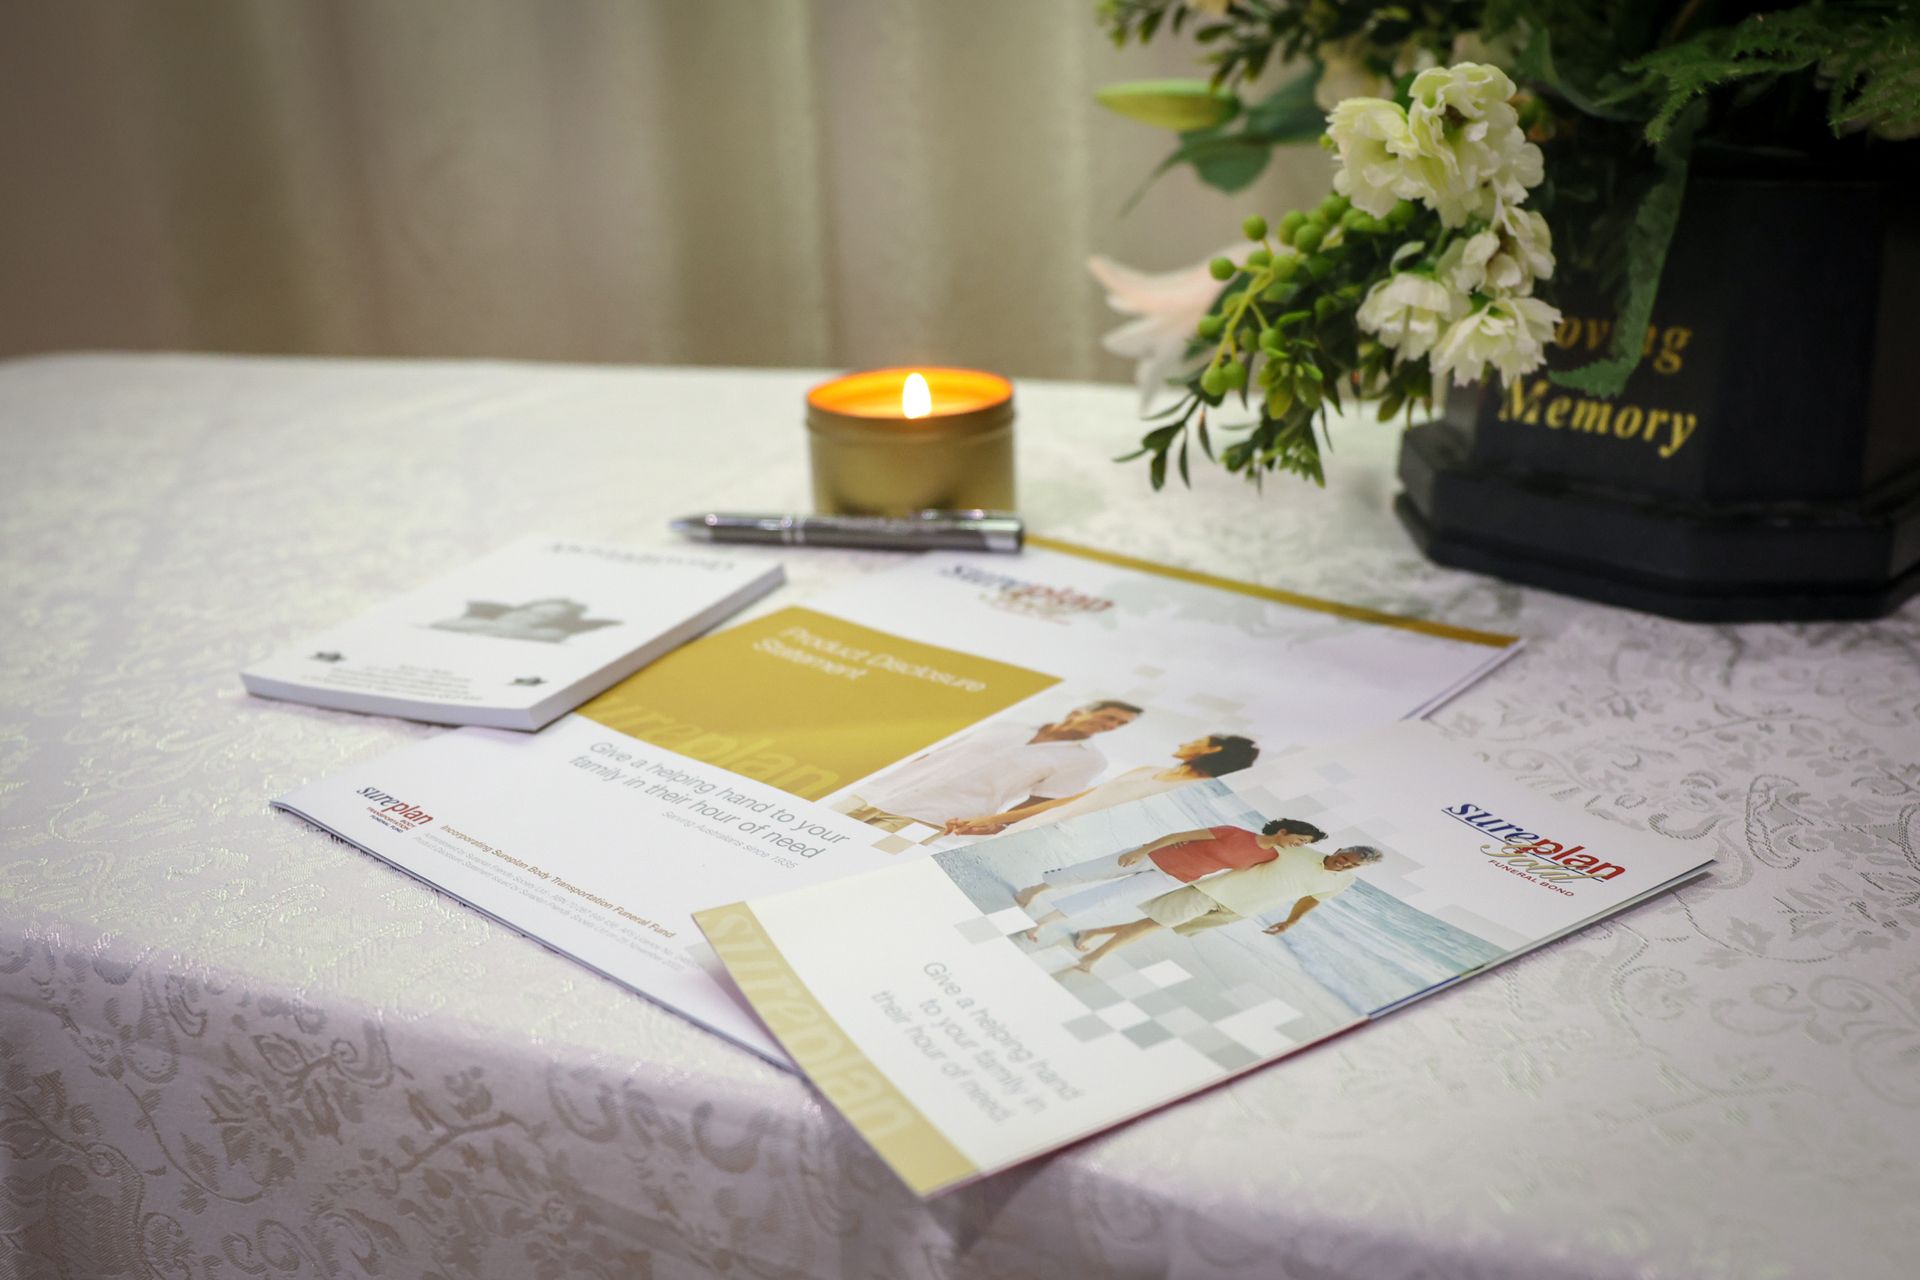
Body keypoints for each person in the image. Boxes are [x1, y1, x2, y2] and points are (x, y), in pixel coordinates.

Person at [832, 700, 1142, 835]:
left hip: (932, 816)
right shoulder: (1005, 725)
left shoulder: (1087, 759)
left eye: (1120, 724)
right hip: (873, 794)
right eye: (1111, 717)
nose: (1112, 726)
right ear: (1078, 711)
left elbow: (1042, 803)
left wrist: (1000, 825)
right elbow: (931, 755)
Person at [1067, 845, 1385, 973]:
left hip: (1239, 910)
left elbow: (1310, 899)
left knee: (1160, 924)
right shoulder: (1297, 851)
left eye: (1352, 866)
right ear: (1341, 849)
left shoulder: (1343, 882)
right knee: (1154, 925)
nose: (1345, 865)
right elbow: (1243, 849)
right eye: (1346, 858)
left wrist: (1289, 923)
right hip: (1212, 892)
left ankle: (1091, 932)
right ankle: (1093, 958)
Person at [1012, 816, 1325, 940]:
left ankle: (1043, 923)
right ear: (1283, 831)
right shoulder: (1235, 832)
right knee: (1085, 874)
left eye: (1305, 845)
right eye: (1299, 839)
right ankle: (1035, 889)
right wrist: (1142, 850)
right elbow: (1179, 835)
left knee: (1108, 897)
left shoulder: (1268, 858)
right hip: (1151, 856)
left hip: (1172, 878)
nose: (1299, 845)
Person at [942, 733, 1259, 836]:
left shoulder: (1191, 795)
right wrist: (992, 822)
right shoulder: (1148, 770)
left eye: (1199, 740)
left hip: (1062, 840)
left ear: (1212, 750)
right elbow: (1070, 800)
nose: (1188, 741)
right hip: (1038, 826)